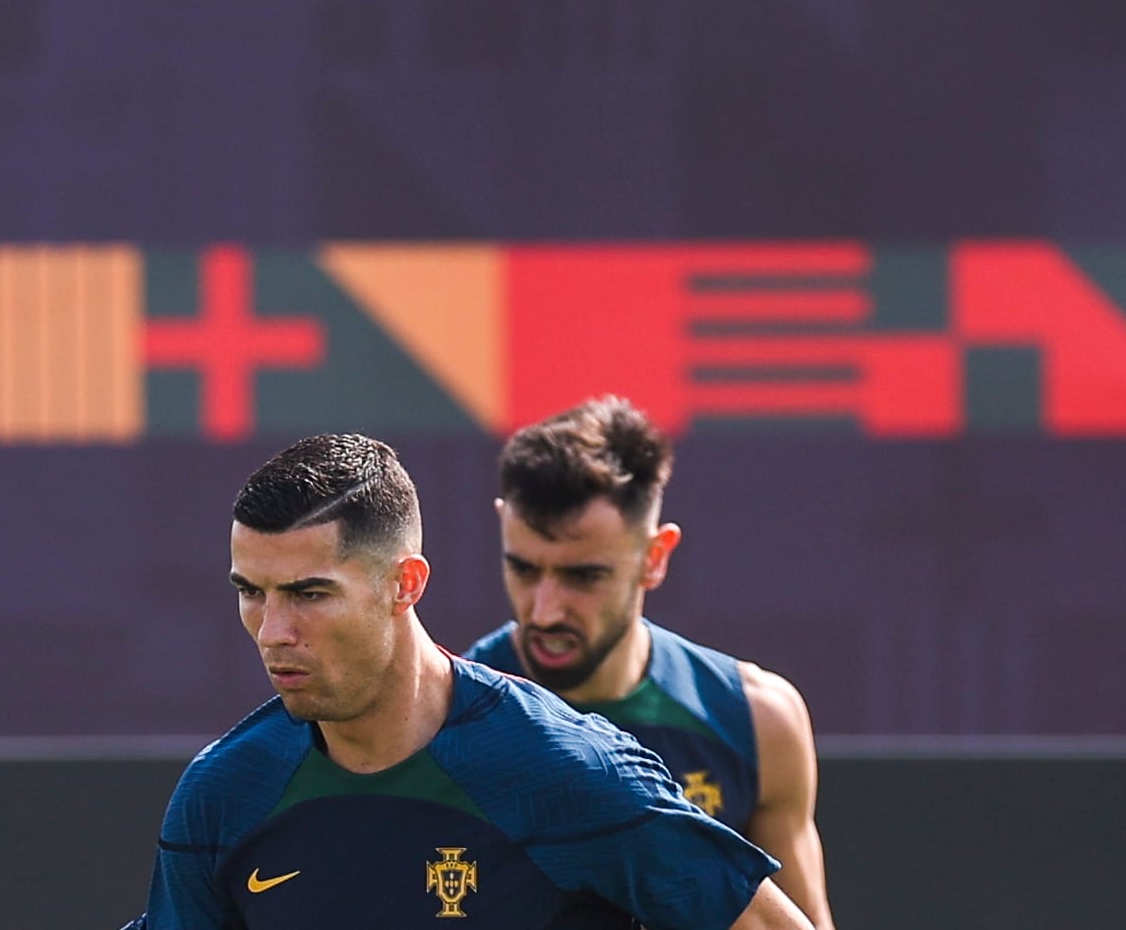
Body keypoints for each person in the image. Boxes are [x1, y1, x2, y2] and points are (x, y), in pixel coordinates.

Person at [127, 433, 815, 930]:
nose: (273, 630)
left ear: (405, 584)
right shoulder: (223, 794)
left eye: (310, 593)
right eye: (251, 591)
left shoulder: (566, 769)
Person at [464, 397, 838, 929]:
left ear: (654, 557)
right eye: (523, 569)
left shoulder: (758, 721)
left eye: (583, 576)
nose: (545, 611)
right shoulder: (441, 720)